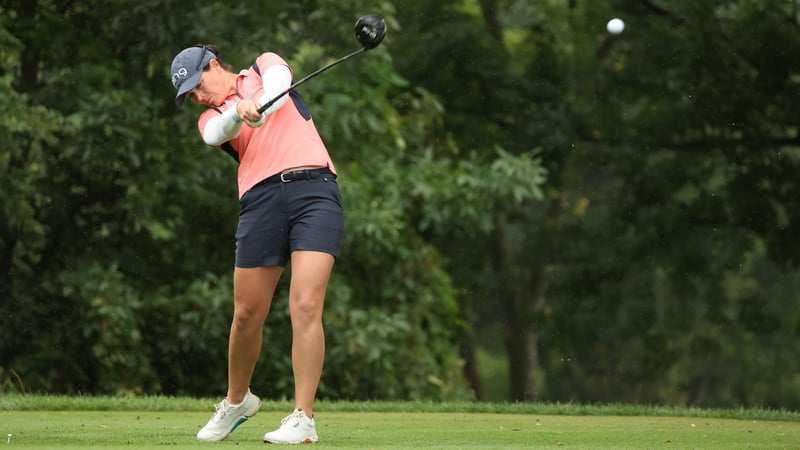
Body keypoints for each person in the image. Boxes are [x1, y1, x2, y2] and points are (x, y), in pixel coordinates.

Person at [169, 44, 344, 444]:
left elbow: (281, 85)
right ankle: (237, 401)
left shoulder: (263, 67)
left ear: (213, 65)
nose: (198, 96)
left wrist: (257, 103)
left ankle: (303, 418)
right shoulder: (210, 117)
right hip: (261, 201)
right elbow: (218, 132)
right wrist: (237, 111)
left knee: (305, 304)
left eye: (197, 85)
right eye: (190, 96)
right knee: (247, 315)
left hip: (315, 192)